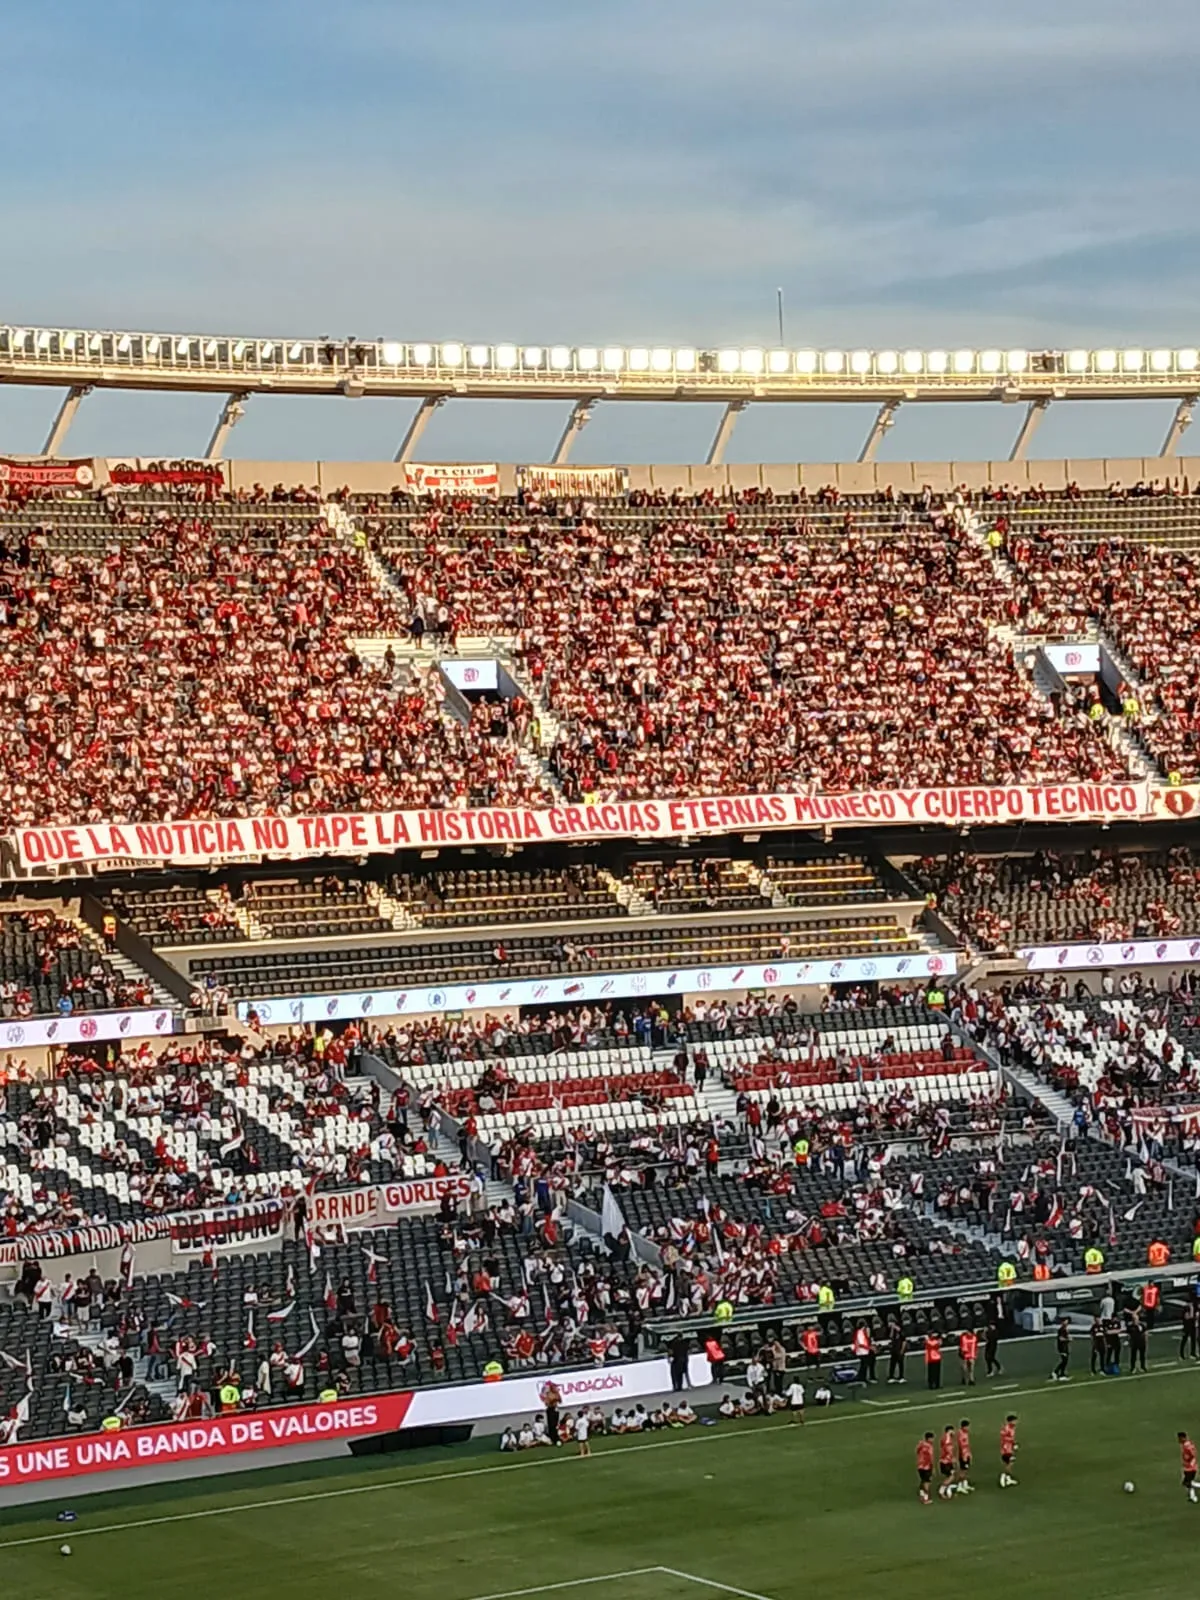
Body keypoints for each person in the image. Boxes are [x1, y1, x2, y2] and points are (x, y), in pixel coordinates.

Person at [999, 1414, 1019, 1488]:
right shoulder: (1006, 1428)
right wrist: (1011, 1443)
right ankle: (1003, 1476)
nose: (1016, 1422)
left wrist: (1014, 1444)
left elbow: (1011, 1438)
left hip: (1010, 1448)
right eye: (1014, 1421)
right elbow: (1004, 1438)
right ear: (1010, 1421)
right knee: (1010, 1463)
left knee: (1009, 1463)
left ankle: (1008, 1479)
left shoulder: (1012, 1428)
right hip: (1006, 1449)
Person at [916, 1431, 935, 1506]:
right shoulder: (929, 1446)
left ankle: (921, 1494)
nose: (933, 1440)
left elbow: (917, 1451)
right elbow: (931, 1458)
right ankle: (926, 1499)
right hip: (926, 1467)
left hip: (920, 1466)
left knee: (923, 1480)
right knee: (927, 1482)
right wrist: (932, 1468)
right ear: (929, 1438)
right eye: (932, 1438)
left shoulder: (921, 1443)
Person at [955, 1420, 974, 1495]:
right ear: (964, 1426)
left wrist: (969, 1453)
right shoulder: (961, 1434)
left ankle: (965, 1485)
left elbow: (967, 1445)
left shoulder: (965, 1433)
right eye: (968, 1426)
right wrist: (964, 1456)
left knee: (966, 1470)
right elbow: (962, 1446)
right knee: (962, 1471)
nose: (969, 1428)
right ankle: (960, 1486)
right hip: (963, 1455)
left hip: (966, 1454)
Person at [938, 1424, 956, 1499]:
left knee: (949, 1476)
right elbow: (948, 1449)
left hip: (946, 1461)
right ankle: (941, 1491)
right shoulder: (947, 1438)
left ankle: (947, 1490)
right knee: (951, 1477)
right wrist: (952, 1458)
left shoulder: (945, 1437)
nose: (954, 1432)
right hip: (946, 1461)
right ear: (949, 1431)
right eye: (953, 1430)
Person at [1180, 1431, 1198, 1504]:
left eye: (1180, 1438)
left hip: (1190, 1468)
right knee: (1188, 1483)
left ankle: (1194, 1497)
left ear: (1183, 1438)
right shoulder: (1186, 1444)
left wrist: (1188, 1459)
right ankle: (1193, 1497)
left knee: (1187, 1483)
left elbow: (1193, 1454)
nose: (1179, 1440)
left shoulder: (1187, 1445)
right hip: (1189, 1467)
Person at [1127, 1309, 1148, 1374]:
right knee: (1133, 1356)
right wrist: (1130, 1342)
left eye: (1136, 1319)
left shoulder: (1142, 1325)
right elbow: (1129, 1335)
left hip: (1141, 1342)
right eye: (1134, 1319)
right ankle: (1133, 1368)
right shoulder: (1130, 1326)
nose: (1135, 1320)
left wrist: (1146, 1341)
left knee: (1142, 1355)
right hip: (1134, 1343)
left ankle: (1143, 1367)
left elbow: (1145, 1333)